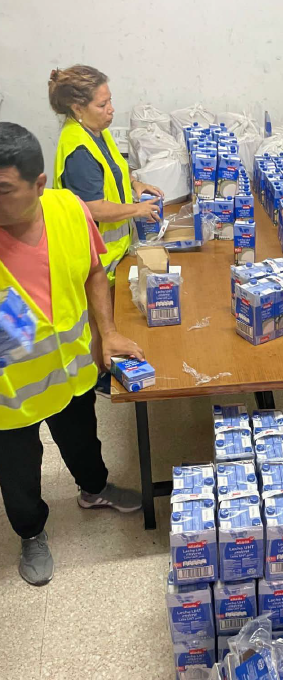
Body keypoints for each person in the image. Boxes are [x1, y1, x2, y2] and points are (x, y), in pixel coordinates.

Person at [0, 123, 146, 586]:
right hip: (11, 397)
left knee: (84, 441)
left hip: (72, 374)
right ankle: (31, 533)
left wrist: (109, 331)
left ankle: (94, 489)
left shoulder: (68, 210)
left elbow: (95, 273)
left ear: (39, 185)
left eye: (3, 189)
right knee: (18, 474)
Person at [48, 64, 163, 394]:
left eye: (110, 101)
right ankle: (100, 376)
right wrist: (137, 209)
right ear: (77, 108)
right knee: (99, 320)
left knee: (108, 313)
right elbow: (94, 207)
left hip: (112, 247)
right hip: (93, 250)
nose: (111, 109)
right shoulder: (78, 149)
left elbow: (114, 169)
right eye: (102, 104)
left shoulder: (97, 133)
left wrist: (136, 183)